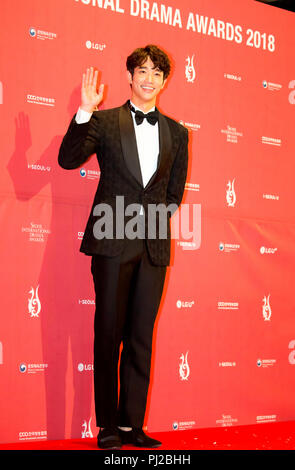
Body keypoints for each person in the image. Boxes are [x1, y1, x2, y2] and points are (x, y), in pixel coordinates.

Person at [58, 45, 189, 449]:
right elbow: (67, 159)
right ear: (130, 76)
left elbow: (173, 195)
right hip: (111, 243)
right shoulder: (104, 120)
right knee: (108, 332)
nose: (149, 79)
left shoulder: (178, 133)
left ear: (165, 81)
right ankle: (109, 427)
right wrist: (83, 112)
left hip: (152, 246)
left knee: (140, 337)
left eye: (156, 73)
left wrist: (149, 225)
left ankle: (134, 426)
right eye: (142, 71)